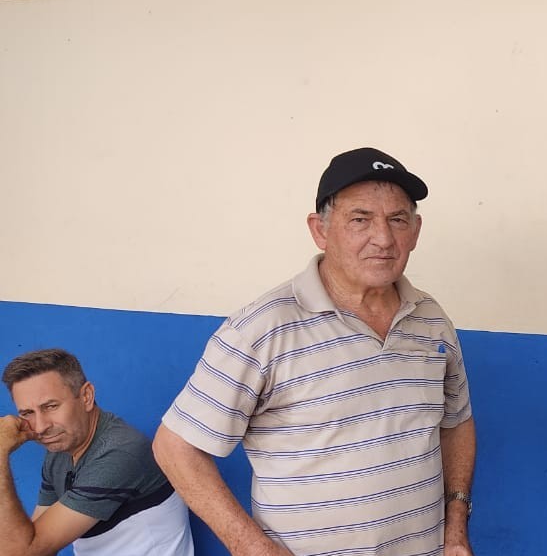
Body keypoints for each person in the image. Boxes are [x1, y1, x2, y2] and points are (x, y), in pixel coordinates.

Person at [152, 147, 476, 556]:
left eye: (397, 220)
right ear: (320, 230)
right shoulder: (262, 329)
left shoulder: (431, 319)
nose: (383, 237)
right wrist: (252, 547)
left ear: (415, 230)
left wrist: (456, 524)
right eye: (360, 220)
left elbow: (457, 422)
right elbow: (175, 447)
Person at [0, 348, 194, 556]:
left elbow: (21, 552)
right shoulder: (59, 450)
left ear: (86, 396)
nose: (40, 427)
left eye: (50, 406)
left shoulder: (120, 454)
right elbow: (28, 542)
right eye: (27, 413)